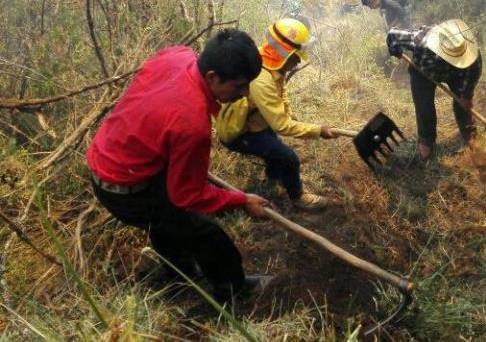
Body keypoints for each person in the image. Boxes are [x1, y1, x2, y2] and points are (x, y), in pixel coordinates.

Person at [87, 29, 273, 304]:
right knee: (205, 234)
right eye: (239, 86)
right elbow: (188, 195)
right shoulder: (192, 124)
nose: (245, 95)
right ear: (212, 76)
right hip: (124, 189)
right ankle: (234, 292)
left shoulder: (177, 55)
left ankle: (180, 275)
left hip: (108, 156)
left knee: (169, 223)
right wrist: (242, 200)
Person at [215, 18, 336, 211]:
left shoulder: (271, 65)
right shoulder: (260, 80)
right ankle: (298, 197)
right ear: (285, 54)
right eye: (297, 56)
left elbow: (282, 90)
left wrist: (288, 112)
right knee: (289, 158)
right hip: (241, 133)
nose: (299, 60)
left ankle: (273, 183)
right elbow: (281, 125)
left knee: (275, 150)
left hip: (258, 124)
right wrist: (318, 131)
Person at [386, 19, 482, 159]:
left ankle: (469, 133)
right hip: (423, 72)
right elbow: (392, 35)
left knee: (463, 105)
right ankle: (426, 140)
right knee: (424, 107)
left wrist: (466, 95)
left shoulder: (472, 56)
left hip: (457, 75)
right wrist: (396, 52)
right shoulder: (422, 41)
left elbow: (473, 74)